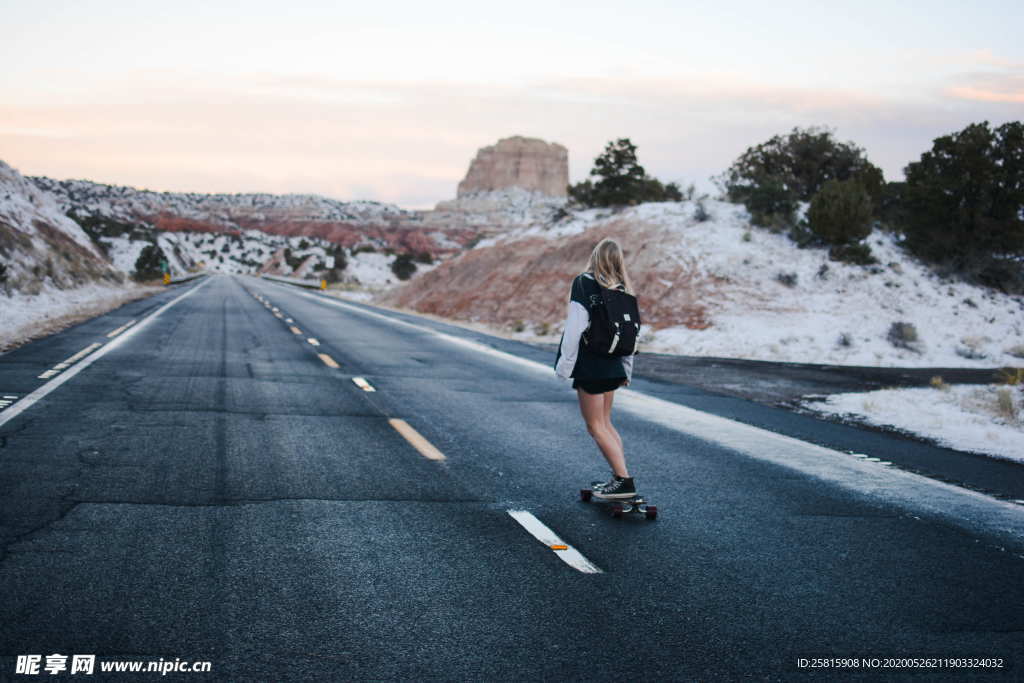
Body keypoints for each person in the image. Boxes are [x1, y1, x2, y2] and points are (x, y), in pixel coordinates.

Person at [554, 238, 637, 499]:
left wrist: (564, 366)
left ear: (595, 257)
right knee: (606, 423)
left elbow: (575, 328)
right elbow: (631, 335)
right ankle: (618, 478)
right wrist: (626, 371)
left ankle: (624, 480)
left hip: (590, 365)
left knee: (595, 427)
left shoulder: (583, 283)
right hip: (613, 365)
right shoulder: (622, 288)